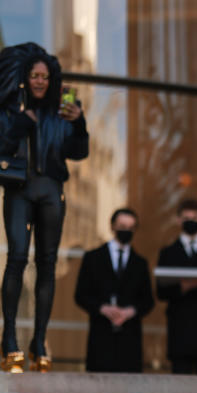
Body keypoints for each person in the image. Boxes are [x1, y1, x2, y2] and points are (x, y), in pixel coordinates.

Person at [0, 42, 88, 372]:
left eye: (45, 76)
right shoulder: (10, 109)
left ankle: (39, 340)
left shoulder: (62, 111)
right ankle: (9, 338)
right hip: (20, 189)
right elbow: (3, 146)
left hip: (51, 190)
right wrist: (20, 124)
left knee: (47, 264)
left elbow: (79, 152)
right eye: (35, 75)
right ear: (25, 77)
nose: (40, 81)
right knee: (18, 259)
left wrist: (79, 123)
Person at [74, 208, 154, 373]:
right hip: (101, 340)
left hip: (129, 344)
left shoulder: (140, 263)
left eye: (131, 227)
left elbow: (148, 300)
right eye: (122, 226)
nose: (126, 231)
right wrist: (102, 308)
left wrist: (129, 312)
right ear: (112, 227)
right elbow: (81, 295)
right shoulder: (93, 258)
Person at [156, 198, 197, 374]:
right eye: (186, 217)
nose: (191, 221)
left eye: (195, 217)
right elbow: (160, 291)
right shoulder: (167, 253)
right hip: (180, 332)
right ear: (178, 220)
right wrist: (184, 287)